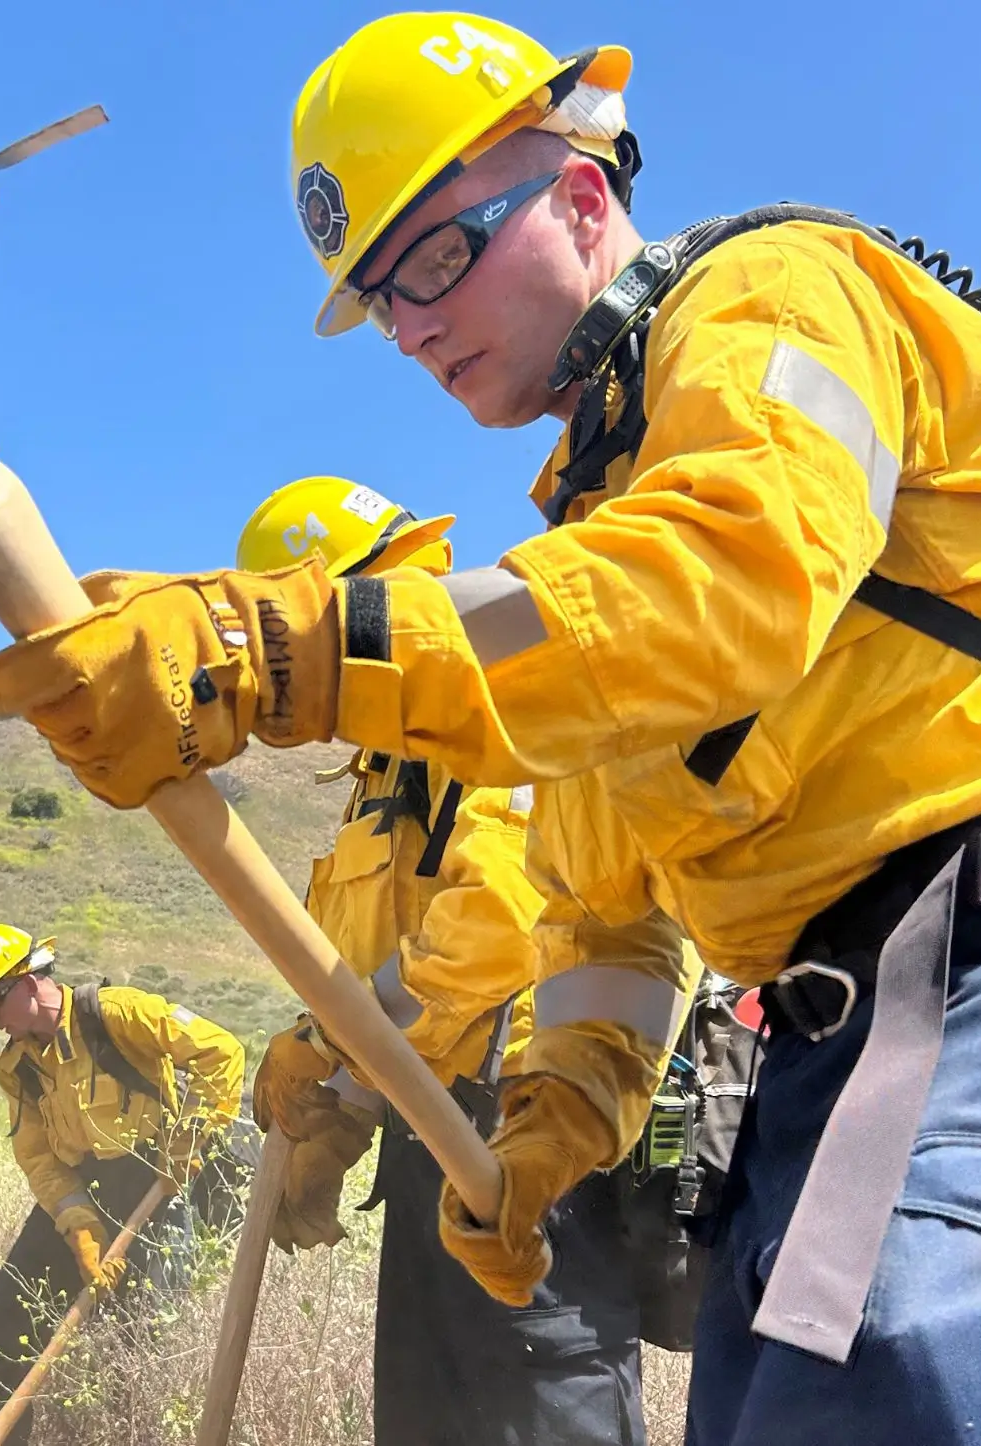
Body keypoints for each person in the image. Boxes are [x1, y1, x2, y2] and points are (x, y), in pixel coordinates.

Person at [0, 13, 981, 1445]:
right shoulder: (594, 533)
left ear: (583, 198)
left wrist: (280, 646)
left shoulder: (776, 295)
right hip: (837, 1043)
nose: (408, 324)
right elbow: (606, 914)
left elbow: (736, 573)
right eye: (377, 298)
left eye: (430, 257)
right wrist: (555, 1118)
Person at [240, 475, 666, 1445]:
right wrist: (340, 1116)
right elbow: (391, 969)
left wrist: (331, 1041)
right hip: (433, 1142)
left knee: (543, 1418)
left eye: (295, 652)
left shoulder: (500, 689)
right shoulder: (385, 763)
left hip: (528, 1139)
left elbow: (502, 918)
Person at [0, 923, 245, 1446]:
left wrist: (189, 1142)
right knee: (0, 1322)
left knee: (142, 1340)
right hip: (81, 1189)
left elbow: (220, 1053)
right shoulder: (17, 1066)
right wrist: (78, 1225)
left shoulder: (117, 1014)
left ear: (27, 980)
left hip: (154, 1185)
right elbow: (38, 1157)